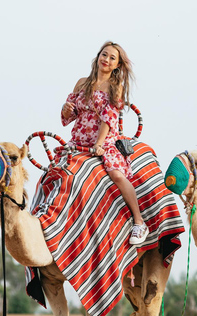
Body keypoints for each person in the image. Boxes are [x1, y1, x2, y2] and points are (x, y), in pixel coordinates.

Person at [60, 41, 148, 245]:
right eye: (104, 55)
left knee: (116, 174)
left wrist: (99, 144)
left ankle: (138, 220)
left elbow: (109, 117)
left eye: (111, 58)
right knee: (57, 170)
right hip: (78, 140)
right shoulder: (82, 83)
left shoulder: (115, 87)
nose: (106, 60)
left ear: (117, 65)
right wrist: (66, 109)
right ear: (98, 56)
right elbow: (72, 114)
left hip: (104, 140)